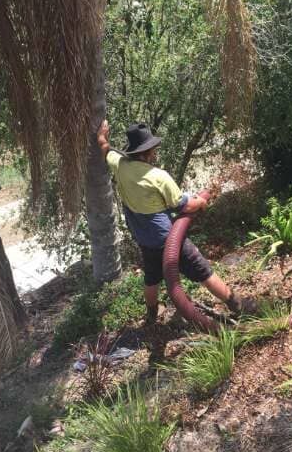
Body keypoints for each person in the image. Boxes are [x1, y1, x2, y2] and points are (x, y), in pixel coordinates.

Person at [97, 120, 256, 324]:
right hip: (169, 241)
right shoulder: (158, 177)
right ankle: (239, 306)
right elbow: (183, 206)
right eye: (153, 150)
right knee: (203, 270)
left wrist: (102, 135)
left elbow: (104, 148)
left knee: (152, 278)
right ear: (146, 152)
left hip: (144, 239)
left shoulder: (120, 165)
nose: (155, 153)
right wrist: (201, 201)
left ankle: (152, 315)